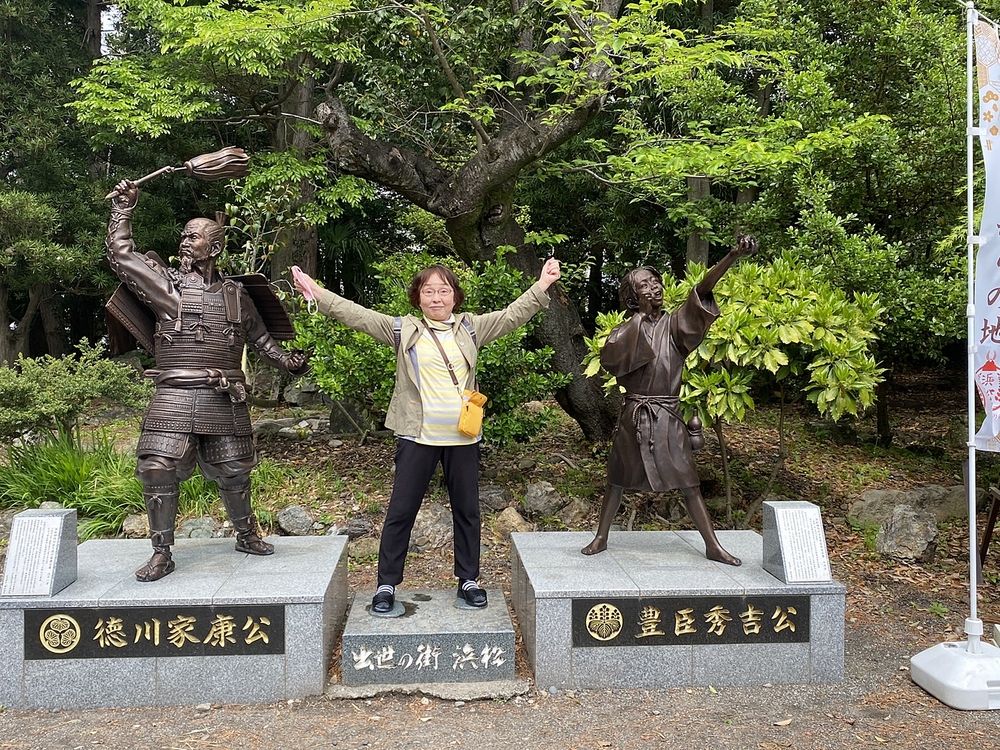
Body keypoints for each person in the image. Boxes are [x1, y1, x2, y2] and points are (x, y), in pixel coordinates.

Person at [293, 258, 561, 613]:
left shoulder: (472, 328)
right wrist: (316, 292)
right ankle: (386, 584)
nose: (437, 298)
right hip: (417, 437)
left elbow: (513, 314)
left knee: (467, 511)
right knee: (401, 511)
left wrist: (542, 284)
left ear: (455, 297)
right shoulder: (403, 330)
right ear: (417, 297)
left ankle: (468, 579)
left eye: (444, 291)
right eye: (429, 291)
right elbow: (355, 314)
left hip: (463, 438)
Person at [106, 180, 308, 582]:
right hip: (175, 395)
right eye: (184, 236)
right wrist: (123, 210)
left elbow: (261, 339)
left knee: (234, 469)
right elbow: (121, 255)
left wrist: (289, 362)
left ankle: (246, 534)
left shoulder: (237, 295)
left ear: (213, 249)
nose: (184, 242)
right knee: (157, 467)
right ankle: (161, 552)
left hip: (224, 396)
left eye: (193, 237)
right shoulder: (166, 287)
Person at [581, 236, 758, 564]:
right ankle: (601, 536)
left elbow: (701, 291)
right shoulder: (623, 331)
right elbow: (611, 360)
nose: (655, 288)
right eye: (645, 285)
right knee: (616, 479)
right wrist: (637, 319)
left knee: (688, 481)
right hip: (635, 416)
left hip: (667, 415)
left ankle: (712, 545)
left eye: (655, 282)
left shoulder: (675, 325)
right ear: (633, 298)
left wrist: (732, 256)